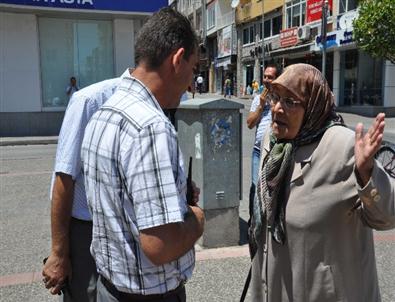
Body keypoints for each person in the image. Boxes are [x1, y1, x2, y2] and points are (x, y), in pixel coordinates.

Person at [81, 8, 205, 302]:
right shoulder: (150, 127)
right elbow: (159, 246)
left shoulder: (104, 113)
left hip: (109, 288)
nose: (191, 83)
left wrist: (174, 198)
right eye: (194, 68)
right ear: (177, 60)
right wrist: (196, 219)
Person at [249, 64, 394, 301]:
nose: (276, 108)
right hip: (275, 286)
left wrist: (366, 173)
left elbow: (387, 217)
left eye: (289, 101)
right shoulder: (274, 141)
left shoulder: (343, 146)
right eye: (276, 97)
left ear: (314, 105)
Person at [42, 71, 129, 301]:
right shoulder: (90, 101)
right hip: (86, 230)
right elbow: (64, 178)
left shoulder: (165, 104)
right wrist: (59, 253)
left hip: (126, 231)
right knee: (86, 295)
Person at [246, 65, 278, 218]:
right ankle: (253, 222)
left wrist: (273, 105)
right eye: (265, 76)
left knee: (271, 188)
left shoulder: (282, 98)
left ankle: (268, 220)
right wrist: (261, 105)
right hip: (258, 151)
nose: (266, 80)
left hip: (275, 150)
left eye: (270, 77)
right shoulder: (258, 99)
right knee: (255, 185)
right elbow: (250, 123)